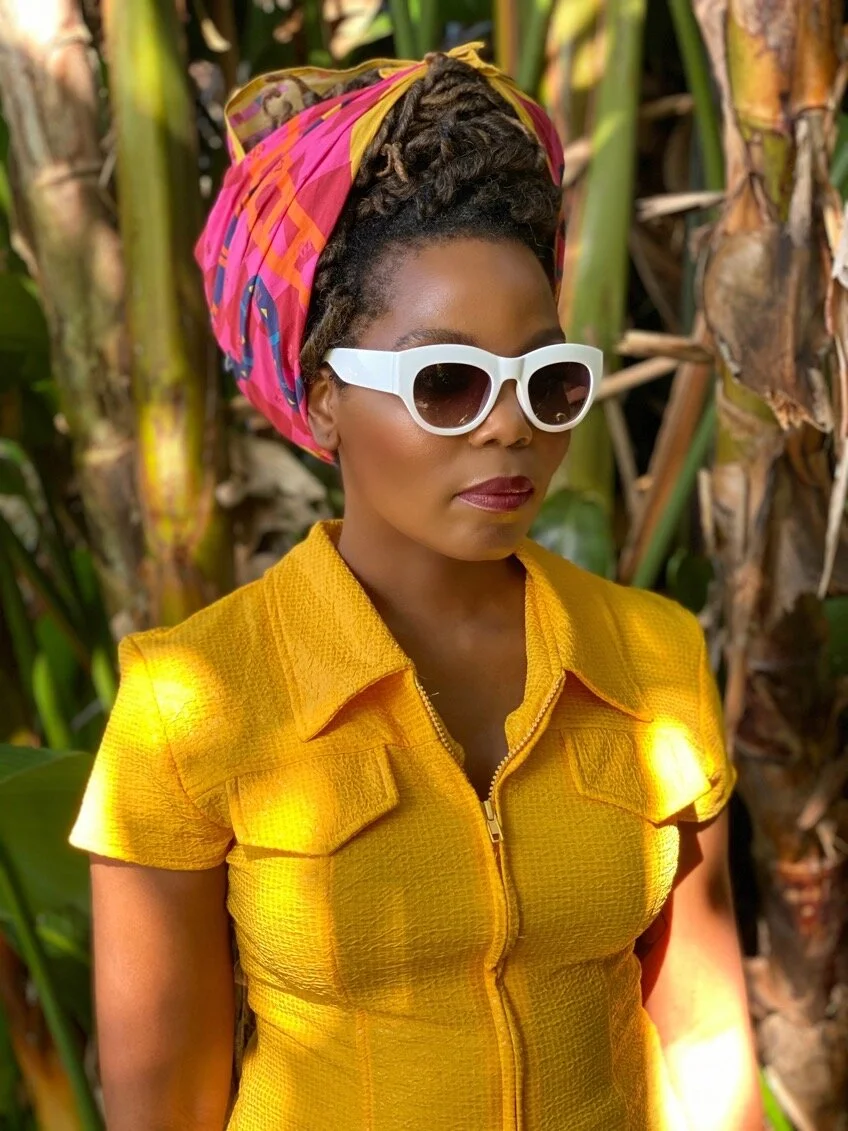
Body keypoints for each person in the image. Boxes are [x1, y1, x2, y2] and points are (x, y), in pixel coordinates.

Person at [69, 43, 763, 1131]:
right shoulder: (190, 703)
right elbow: (164, 1108)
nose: (508, 424)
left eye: (546, 378)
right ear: (321, 397)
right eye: (445, 381)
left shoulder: (652, 659)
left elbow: (705, 1036)